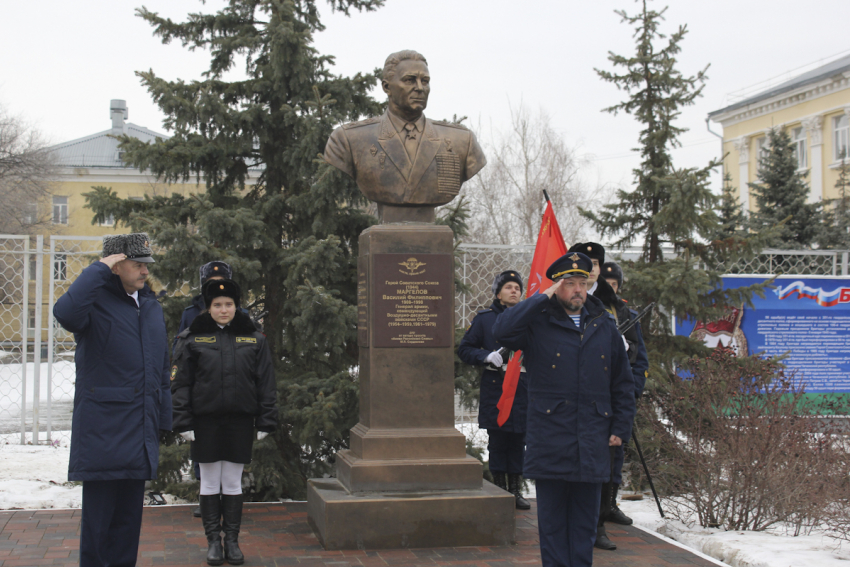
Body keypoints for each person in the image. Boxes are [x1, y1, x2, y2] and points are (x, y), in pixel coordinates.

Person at [492, 252, 635, 567]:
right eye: (569, 284)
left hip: (594, 440)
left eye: (582, 283)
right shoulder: (538, 323)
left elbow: (623, 383)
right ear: (557, 288)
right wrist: (540, 296)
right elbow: (501, 331)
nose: (578, 290)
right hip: (551, 440)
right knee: (554, 528)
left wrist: (620, 429)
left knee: (584, 529)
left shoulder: (605, 326)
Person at [53, 232, 171, 567]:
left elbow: (161, 369)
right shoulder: (93, 306)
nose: (146, 271)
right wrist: (99, 267)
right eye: (137, 264)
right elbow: (65, 311)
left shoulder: (149, 307)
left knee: (127, 526)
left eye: (147, 264)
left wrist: (162, 420)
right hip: (103, 432)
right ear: (116, 267)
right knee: (99, 528)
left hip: (139, 432)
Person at [172, 279, 278, 566]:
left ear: (236, 306)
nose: (223, 309)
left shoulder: (254, 338)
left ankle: (232, 541)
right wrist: (183, 421)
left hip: (239, 422)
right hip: (205, 423)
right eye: (217, 305)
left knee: (232, 482)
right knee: (209, 482)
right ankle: (213, 543)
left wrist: (266, 420)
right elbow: (181, 384)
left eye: (228, 304)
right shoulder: (192, 338)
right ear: (208, 308)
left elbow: (265, 383)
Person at [324, 50, 486, 214]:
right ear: (387, 87)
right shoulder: (349, 139)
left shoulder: (462, 141)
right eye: (409, 80)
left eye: (425, 81)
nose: (420, 88)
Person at [588, 257, 650, 550]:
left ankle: (605, 510)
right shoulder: (590, 309)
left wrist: (632, 391)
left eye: (614, 284)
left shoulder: (626, 313)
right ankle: (591, 520)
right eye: (606, 283)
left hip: (618, 395)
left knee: (614, 456)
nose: (610, 288)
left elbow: (640, 361)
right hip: (594, 396)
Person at [458, 270, 529, 509]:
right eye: (508, 287)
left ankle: (516, 490)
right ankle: (500, 488)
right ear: (498, 293)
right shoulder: (485, 319)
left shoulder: (529, 318)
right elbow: (465, 349)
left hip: (521, 386)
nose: (514, 291)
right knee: (498, 440)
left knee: (519, 439)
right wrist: (485, 355)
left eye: (517, 288)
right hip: (496, 386)